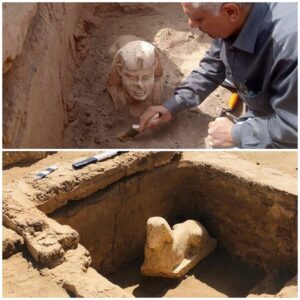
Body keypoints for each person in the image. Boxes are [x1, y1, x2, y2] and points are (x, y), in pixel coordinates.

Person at [139, 3, 297, 148]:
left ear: (231, 12)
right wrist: (172, 105)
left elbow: (293, 127)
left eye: (198, 18)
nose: (191, 25)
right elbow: (212, 66)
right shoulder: (234, 23)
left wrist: (237, 134)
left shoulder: (289, 53)